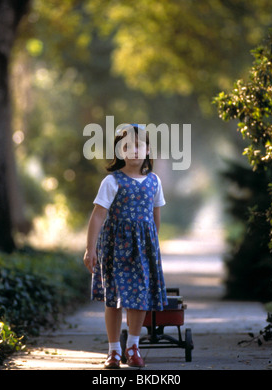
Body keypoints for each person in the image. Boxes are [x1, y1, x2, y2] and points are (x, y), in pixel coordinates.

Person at [83, 124, 167, 369]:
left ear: (147, 149)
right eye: (126, 147)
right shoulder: (112, 181)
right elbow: (98, 215)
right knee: (114, 299)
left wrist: (153, 247)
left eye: (138, 146)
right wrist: (91, 249)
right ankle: (113, 351)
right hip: (115, 247)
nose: (132, 151)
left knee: (138, 298)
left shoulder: (154, 181)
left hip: (143, 250)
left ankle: (133, 346)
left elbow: (155, 216)